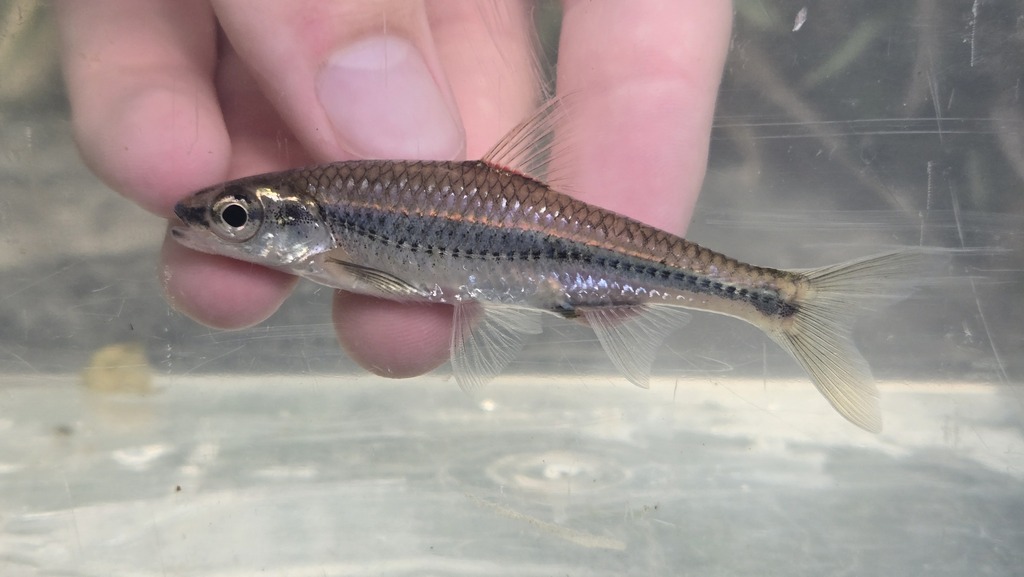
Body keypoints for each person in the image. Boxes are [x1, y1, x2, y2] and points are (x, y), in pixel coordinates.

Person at [55, 1, 732, 379]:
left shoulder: (333, 237)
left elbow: (392, 282)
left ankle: (762, 295)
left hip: (535, 255)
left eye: (235, 217)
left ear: (299, 219)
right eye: (232, 217)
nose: (219, 226)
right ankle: (757, 294)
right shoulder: (334, 232)